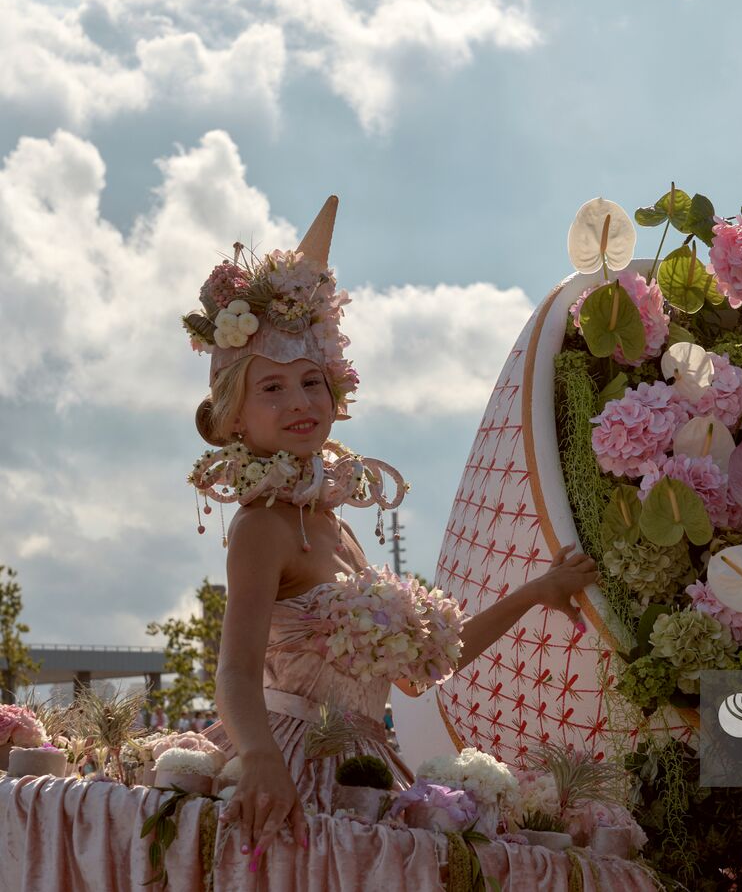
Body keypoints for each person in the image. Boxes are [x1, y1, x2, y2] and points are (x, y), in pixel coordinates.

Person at [186, 197, 598, 873]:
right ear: (234, 418)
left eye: (312, 381)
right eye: (273, 387)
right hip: (294, 769)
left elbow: (418, 674)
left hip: (369, 769)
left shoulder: (338, 529)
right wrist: (260, 756)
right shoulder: (261, 526)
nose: (299, 402)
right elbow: (233, 670)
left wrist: (538, 591)